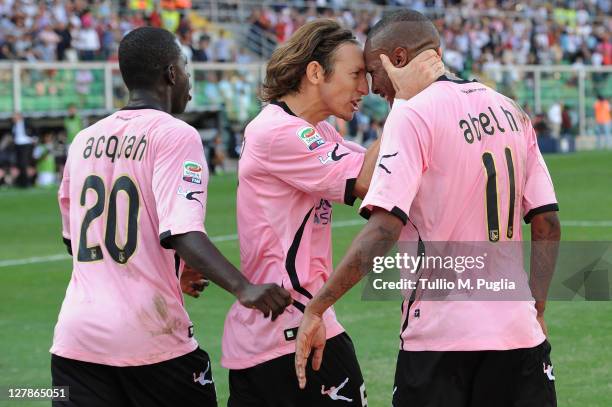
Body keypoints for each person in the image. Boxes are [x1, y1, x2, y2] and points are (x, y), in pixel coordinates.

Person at [295, 10, 561, 407]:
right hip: (519, 336)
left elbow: (383, 230)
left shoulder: (411, 113)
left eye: (373, 71)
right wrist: (535, 308)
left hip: (440, 342)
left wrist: (317, 307)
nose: (371, 86)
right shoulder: (511, 109)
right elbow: (547, 225)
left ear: (397, 59)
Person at [51, 27, 292, 407]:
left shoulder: (84, 140)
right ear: (170, 74)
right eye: (186, 68)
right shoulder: (175, 134)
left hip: (75, 341)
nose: (189, 81)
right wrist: (245, 288)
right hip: (149, 339)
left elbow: (76, 241)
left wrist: (170, 269)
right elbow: (182, 231)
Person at [221, 18, 443, 407]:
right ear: (314, 71)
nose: (366, 88)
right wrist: (405, 102)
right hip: (289, 329)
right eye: (357, 74)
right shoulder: (275, 131)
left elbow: (382, 173)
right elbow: (367, 177)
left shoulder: (317, 132)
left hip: (288, 329)